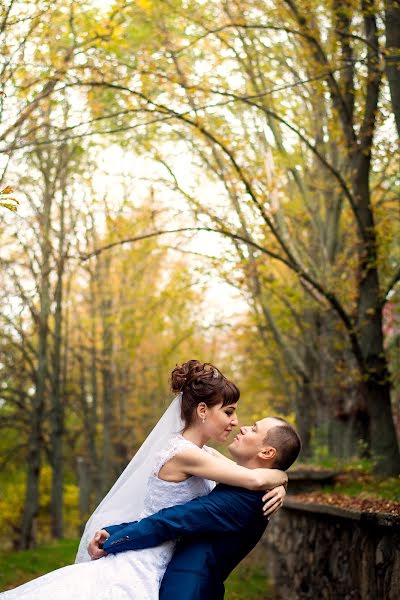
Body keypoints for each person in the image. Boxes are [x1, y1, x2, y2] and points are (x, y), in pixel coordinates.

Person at [0, 360, 287, 599]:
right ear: (202, 411)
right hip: (144, 560)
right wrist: (281, 476)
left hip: (167, 561)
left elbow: (252, 476)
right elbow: (253, 480)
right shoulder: (186, 454)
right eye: (228, 412)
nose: (235, 421)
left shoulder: (206, 454)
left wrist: (281, 480)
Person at [88, 416, 301, 600]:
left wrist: (112, 541)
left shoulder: (243, 500)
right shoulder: (246, 484)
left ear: (267, 452)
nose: (242, 426)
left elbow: (170, 521)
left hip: (187, 589)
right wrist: (282, 478)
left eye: (254, 429)